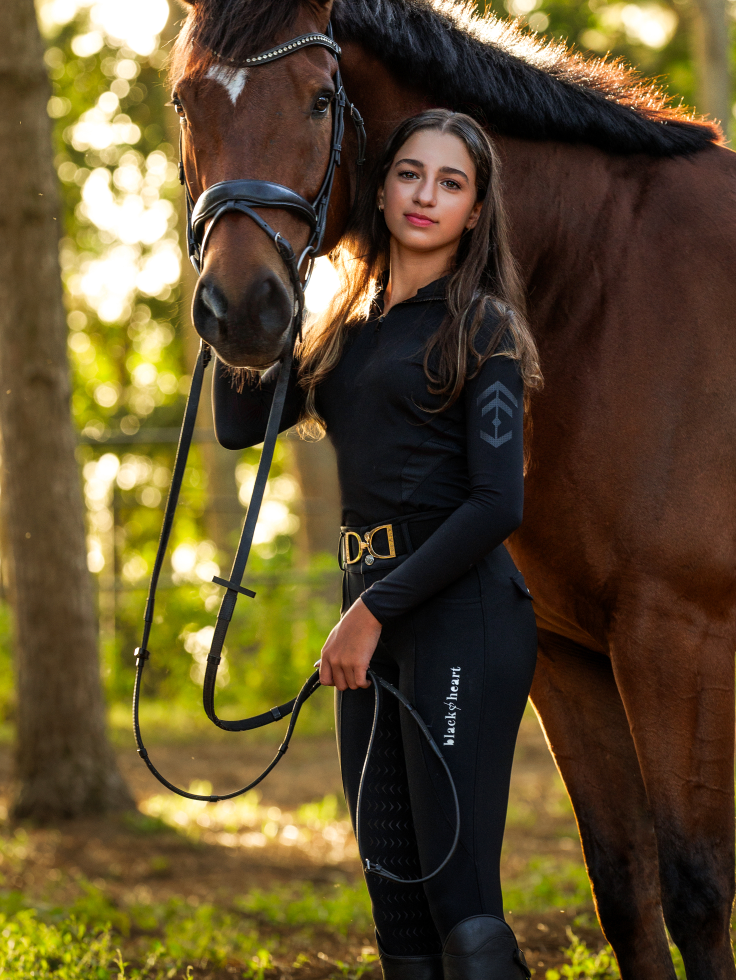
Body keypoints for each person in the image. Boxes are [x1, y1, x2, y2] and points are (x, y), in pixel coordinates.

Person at [214, 109, 542, 980]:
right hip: (369, 619)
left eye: (451, 182)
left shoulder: (485, 329)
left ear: (476, 211)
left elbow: (495, 505)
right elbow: (241, 422)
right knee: (397, 910)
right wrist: (240, 280)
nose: (425, 195)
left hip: (462, 619)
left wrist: (371, 611)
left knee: (461, 909)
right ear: (382, 187)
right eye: (409, 173)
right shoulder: (343, 332)